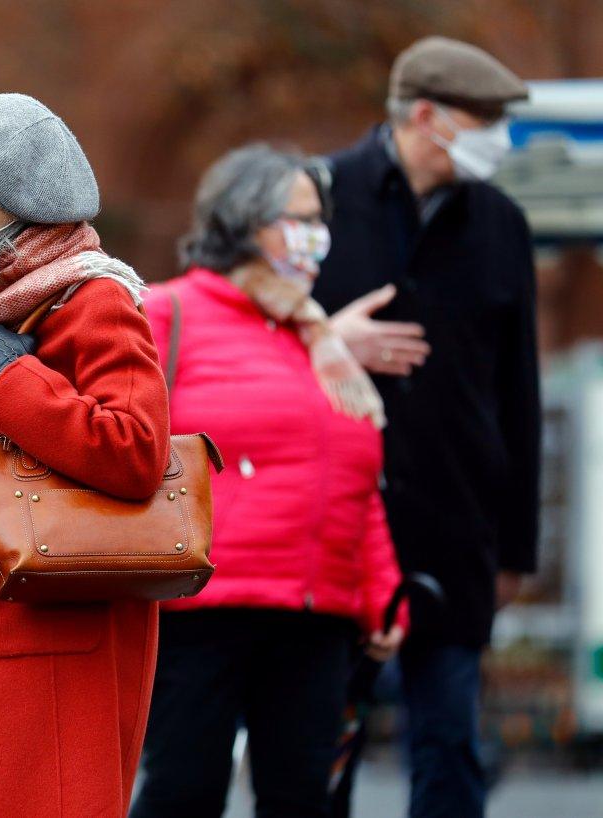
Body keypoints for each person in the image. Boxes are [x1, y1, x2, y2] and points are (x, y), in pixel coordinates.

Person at [129, 144, 405, 818]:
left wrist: (383, 590)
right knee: (183, 793)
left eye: (321, 218)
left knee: (306, 799)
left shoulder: (317, 338)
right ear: (243, 221)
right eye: (298, 216)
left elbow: (355, 479)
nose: (317, 234)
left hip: (314, 617)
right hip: (199, 612)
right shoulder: (167, 314)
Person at [0, 93, 170, 817]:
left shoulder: (91, 299)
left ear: (17, 201)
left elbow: (135, 450)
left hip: (53, 657)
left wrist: (12, 375)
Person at [312, 37, 540, 818]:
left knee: (449, 747)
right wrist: (326, 339)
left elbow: (521, 391)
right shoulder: (319, 197)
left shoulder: (502, 225)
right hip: (333, 524)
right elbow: (247, 337)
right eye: (487, 121)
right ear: (426, 115)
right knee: (319, 748)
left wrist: (515, 547)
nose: (498, 141)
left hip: (456, 526)